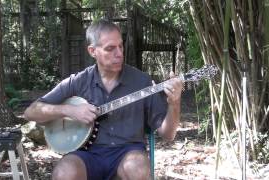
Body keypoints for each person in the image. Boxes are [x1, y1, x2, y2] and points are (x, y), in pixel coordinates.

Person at [24, 19, 183, 180]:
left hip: (127, 153)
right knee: (64, 172)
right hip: (85, 155)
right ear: (93, 51)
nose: (119, 54)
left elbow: (168, 134)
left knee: (138, 167)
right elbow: (31, 112)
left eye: (120, 46)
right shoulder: (78, 81)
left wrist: (174, 103)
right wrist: (69, 110)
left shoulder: (142, 82)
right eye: (110, 49)